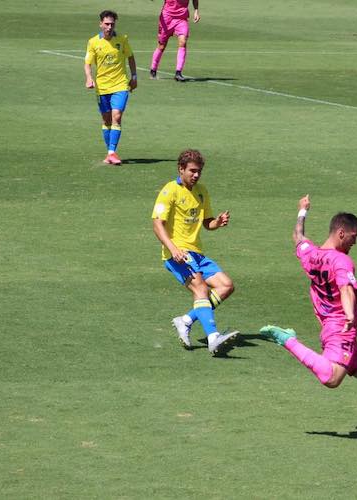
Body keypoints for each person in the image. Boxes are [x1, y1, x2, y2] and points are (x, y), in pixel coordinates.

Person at [260, 195, 357, 439]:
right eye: (354, 236)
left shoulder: (311, 255)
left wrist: (302, 211)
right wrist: (348, 314)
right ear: (342, 233)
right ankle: (287, 340)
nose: (356, 242)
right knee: (332, 378)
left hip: (335, 328)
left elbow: (298, 237)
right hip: (340, 328)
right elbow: (346, 289)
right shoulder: (342, 261)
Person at [151, 149, 237, 355]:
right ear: (181, 169)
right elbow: (157, 223)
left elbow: (207, 223)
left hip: (197, 252)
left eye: (199, 171)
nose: (196, 175)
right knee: (201, 289)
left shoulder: (201, 191)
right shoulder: (169, 190)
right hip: (178, 253)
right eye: (192, 171)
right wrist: (172, 249)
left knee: (226, 286)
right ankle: (213, 337)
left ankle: (186, 320)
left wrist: (218, 222)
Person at [84, 10, 137, 166]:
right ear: (100, 24)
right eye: (106, 24)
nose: (109, 27)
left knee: (117, 116)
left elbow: (131, 57)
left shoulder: (122, 40)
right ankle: (110, 152)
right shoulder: (93, 42)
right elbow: (87, 63)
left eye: (112, 24)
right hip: (102, 87)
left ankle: (112, 152)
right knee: (106, 119)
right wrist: (89, 78)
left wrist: (134, 77)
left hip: (120, 84)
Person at [149, 0, 200, 82]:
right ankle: (153, 70)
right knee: (161, 46)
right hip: (167, 18)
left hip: (181, 18)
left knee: (183, 42)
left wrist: (196, 11)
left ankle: (178, 72)